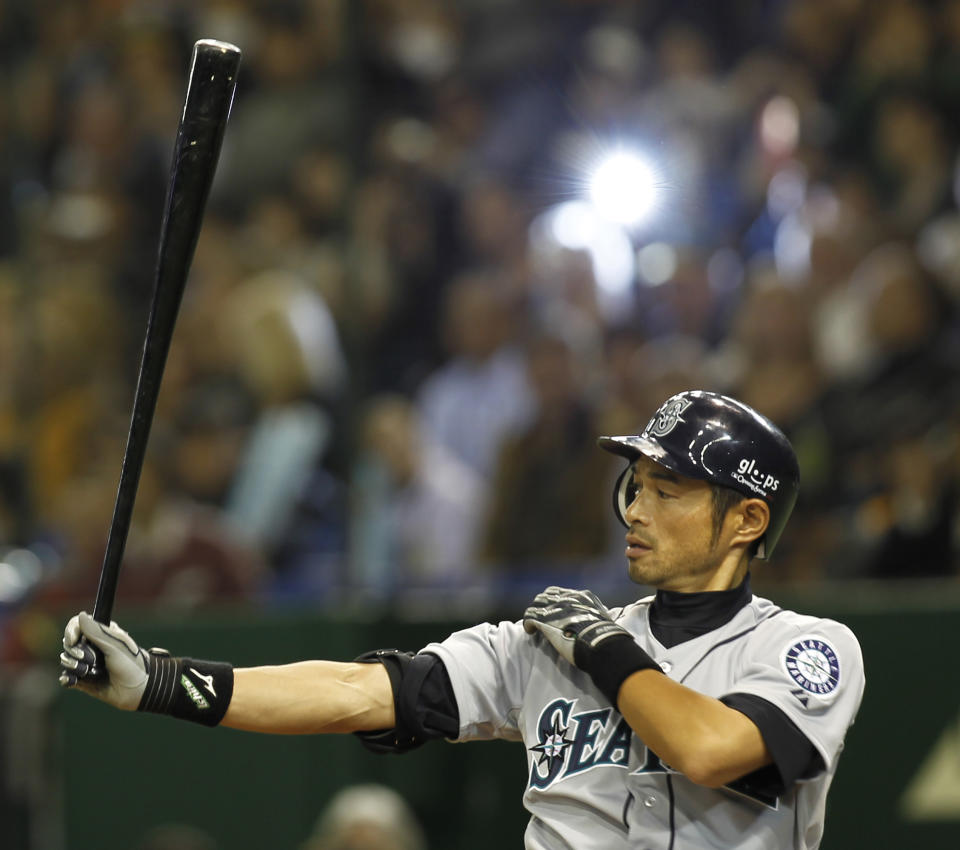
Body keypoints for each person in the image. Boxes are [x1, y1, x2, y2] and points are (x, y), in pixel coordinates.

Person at [59, 390, 865, 849]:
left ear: (748, 520)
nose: (636, 507)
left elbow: (709, 748)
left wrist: (605, 648)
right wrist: (164, 683)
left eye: (669, 489)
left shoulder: (808, 648)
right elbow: (354, 690)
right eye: (638, 484)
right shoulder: (545, 645)